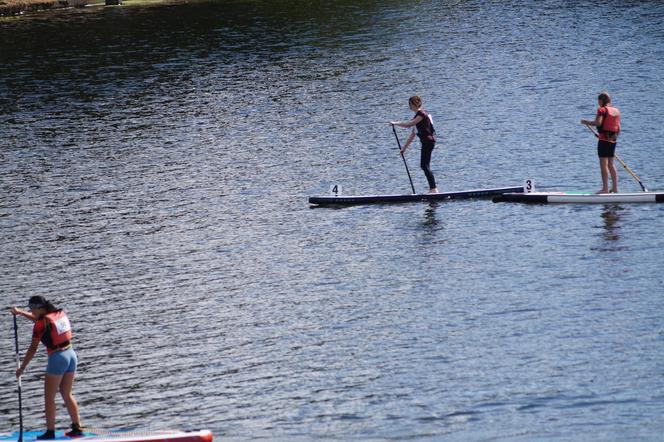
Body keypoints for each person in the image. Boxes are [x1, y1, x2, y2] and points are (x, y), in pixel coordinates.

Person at [11, 296, 84, 439]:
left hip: (57, 359)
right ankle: (77, 428)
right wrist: (20, 313)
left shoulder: (41, 323)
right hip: (71, 355)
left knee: (49, 397)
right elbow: (39, 322)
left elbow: (33, 348)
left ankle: (50, 432)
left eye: (32, 309)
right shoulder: (56, 315)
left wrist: (22, 368)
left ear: (40, 308)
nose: (31, 312)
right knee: (66, 394)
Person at [390, 96, 439, 193]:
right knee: (424, 166)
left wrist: (395, 123)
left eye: (410, 104)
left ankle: (433, 189)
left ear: (414, 104)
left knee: (424, 166)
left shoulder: (422, 114)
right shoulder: (417, 116)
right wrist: (404, 148)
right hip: (426, 142)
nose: (409, 106)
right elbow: (413, 134)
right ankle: (433, 189)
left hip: (428, 142)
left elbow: (408, 124)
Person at [581, 92, 621, 193]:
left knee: (603, 164)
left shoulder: (602, 110)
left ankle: (605, 189)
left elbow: (598, 123)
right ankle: (615, 189)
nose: (598, 103)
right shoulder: (616, 111)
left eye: (598, 101)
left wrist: (586, 122)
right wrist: (612, 139)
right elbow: (618, 129)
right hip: (613, 140)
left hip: (603, 140)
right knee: (611, 164)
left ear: (601, 101)